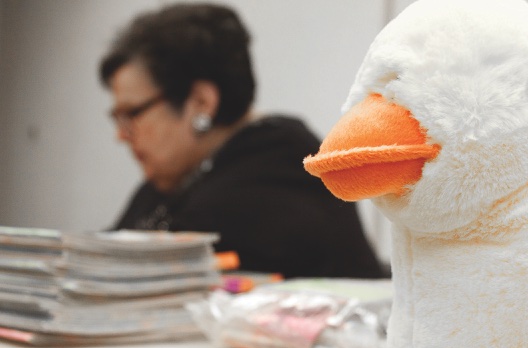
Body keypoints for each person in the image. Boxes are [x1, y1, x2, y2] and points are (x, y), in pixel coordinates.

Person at [99, 3, 384, 279]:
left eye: (131, 114)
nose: (121, 135)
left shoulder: (275, 178)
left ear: (201, 102)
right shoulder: (182, 174)